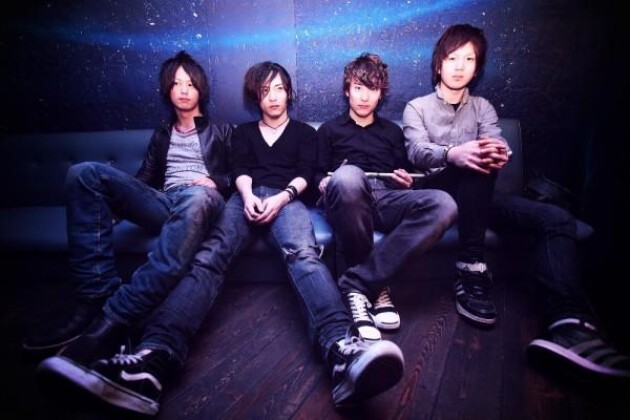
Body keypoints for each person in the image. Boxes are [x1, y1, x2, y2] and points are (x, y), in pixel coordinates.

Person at [38, 61, 405, 416]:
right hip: (243, 199)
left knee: (304, 255)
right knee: (208, 260)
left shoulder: (305, 133)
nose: (273, 96)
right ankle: (153, 358)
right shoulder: (242, 133)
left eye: (279, 89)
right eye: (265, 90)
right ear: (256, 96)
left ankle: (342, 350)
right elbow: (239, 171)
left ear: (289, 94)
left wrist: (280, 198)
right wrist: (247, 197)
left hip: (287, 200)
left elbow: (305, 174)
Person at [403, 23, 630, 379]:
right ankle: (471, 268)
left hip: (479, 197)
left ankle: (569, 322)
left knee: (556, 218)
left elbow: (496, 143)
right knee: (472, 162)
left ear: (477, 68)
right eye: (452, 58)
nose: (460, 66)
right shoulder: (417, 107)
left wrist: (497, 152)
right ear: (438, 64)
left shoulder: (483, 107)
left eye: (469, 59)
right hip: (437, 196)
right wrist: (453, 153)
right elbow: (417, 152)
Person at [34, 49, 233, 380]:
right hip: (165, 201)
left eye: (190, 83)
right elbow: (143, 180)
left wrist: (217, 180)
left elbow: (240, 173)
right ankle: (95, 296)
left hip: (203, 199)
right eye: (176, 83)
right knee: (83, 173)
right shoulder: (162, 133)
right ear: (167, 89)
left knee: (198, 197)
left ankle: (119, 316)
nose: (183, 90)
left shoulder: (222, 130)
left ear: (201, 89)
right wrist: (117, 208)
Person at [315, 52, 458, 342]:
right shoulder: (329, 130)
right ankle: (375, 290)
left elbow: (405, 173)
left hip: (387, 196)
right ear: (347, 90)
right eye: (358, 87)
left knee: (444, 204)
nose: (364, 96)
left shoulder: (392, 131)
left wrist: (404, 180)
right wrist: (324, 181)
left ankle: (362, 282)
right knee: (349, 176)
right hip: (346, 196)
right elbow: (315, 173)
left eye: (372, 89)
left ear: (381, 93)